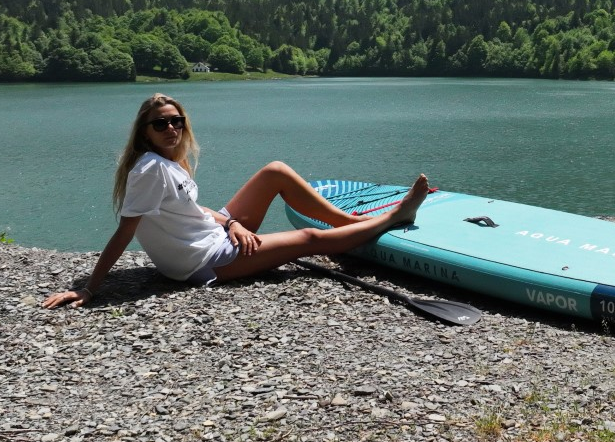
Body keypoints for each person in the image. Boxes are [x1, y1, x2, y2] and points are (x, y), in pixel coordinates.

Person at [43, 93, 429, 308]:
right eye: (160, 123)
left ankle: (348, 222)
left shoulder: (165, 164)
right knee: (309, 240)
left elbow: (195, 211)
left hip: (217, 236)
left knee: (274, 171)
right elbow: (124, 233)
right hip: (204, 261)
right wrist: (91, 288)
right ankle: (393, 217)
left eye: (176, 121)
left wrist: (232, 223)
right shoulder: (150, 170)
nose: (171, 128)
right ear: (144, 132)